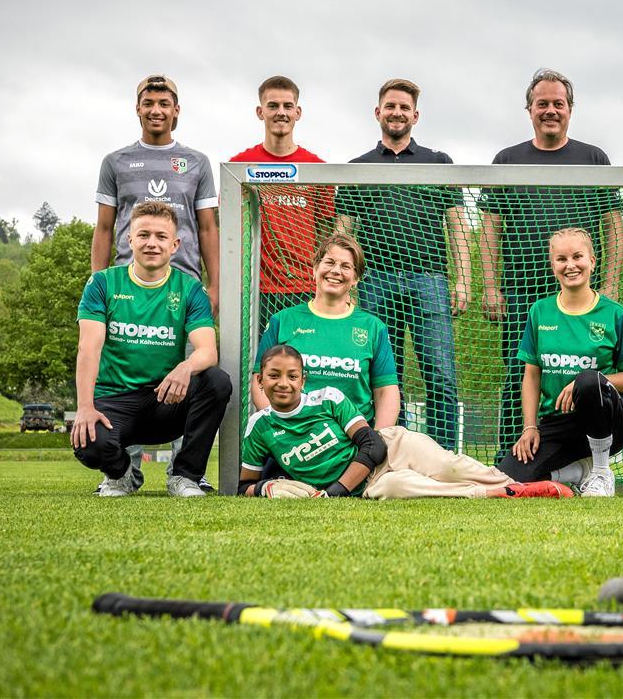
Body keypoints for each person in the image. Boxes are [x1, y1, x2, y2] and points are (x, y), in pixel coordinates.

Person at [480, 69, 623, 461]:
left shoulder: (594, 158)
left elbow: (614, 224)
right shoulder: (506, 160)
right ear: (529, 109)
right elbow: (490, 227)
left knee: (583, 373)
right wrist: (491, 286)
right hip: (522, 291)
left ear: (570, 109)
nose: (550, 110)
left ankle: (585, 456)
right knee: (519, 374)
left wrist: (608, 285)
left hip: (581, 294)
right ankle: (510, 456)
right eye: (542, 103)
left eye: (557, 103)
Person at [90, 75, 219, 492]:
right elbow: (105, 227)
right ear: (138, 108)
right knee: (123, 375)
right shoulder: (116, 161)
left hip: (183, 286)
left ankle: (183, 475)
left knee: (192, 376)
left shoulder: (196, 162)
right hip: (128, 288)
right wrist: (97, 280)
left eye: (165, 102)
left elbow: (208, 228)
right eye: (149, 102)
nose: (157, 109)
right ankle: (123, 472)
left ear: (177, 109)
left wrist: (213, 284)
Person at [238, 344, 572, 499]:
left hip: (390, 449)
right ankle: (500, 493)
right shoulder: (259, 428)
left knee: (449, 466)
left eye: (292, 376)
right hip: (370, 486)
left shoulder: (328, 398)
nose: (283, 383)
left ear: (303, 380)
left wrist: (337, 491)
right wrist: (268, 487)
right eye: (274, 376)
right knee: (401, 488)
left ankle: (520, 484)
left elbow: (372, 444)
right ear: (260, 380)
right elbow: (243, 486)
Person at [335, 78, 469, 450]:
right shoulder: (357, 168)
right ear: (378, 113)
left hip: (430, 280)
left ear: (416, 115)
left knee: (440, 373)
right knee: (383, 376)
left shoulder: (439, 162)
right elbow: (344, 234)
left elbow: (457, 225)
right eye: (390, 106)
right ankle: (393, 450)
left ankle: (443, 455)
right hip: (375, 280)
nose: (397, 113)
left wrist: (463, 281)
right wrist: (347, 283)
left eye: (404, 108)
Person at [71, 201, 231, 497]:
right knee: (87, 443)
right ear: (129, 239)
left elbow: (208, 350)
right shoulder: (102, 284)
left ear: (175, 245)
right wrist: (84, 407)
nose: (151, 243)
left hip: (164, 400)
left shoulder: (190, 288)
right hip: (115, 400)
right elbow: (88, 348)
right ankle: (121, 475)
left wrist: (185, 367)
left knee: (216, 381)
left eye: (160, 237)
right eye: (143, 235)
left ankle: (185, 477)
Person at [498, 228, 623, 497]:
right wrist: (529, 427)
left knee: (589, 379)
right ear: (553, 265)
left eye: (578, 257)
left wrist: (582, 383)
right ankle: (579, 473)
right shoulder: (540, 312)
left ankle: (601, 472)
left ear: (592, 261)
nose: (570, 265)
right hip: (557, 423)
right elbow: (531, 377)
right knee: (510, 478)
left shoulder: (615, 314)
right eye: (562, 259)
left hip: (610, 421)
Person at [253, 233, 401, 432]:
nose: (335, 271)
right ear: (315, 268)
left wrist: (374, 443)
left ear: (356, 278)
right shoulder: (282, 320)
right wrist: (282, 431)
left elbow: (386, 392)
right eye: (329, 262)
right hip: (293, 438)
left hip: (353, 443)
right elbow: (260, 383)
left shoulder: (373, 327)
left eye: (346, 266)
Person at [229, 75, 330, 331]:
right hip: (256, 289)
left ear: (298, 112)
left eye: (287, 106)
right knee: (260, 364)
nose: (280, 113)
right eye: (273, 106)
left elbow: (325, 234)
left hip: (306, 288)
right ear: (260, 112)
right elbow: (230, 231)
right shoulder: (238, 167)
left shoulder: (318, 168)